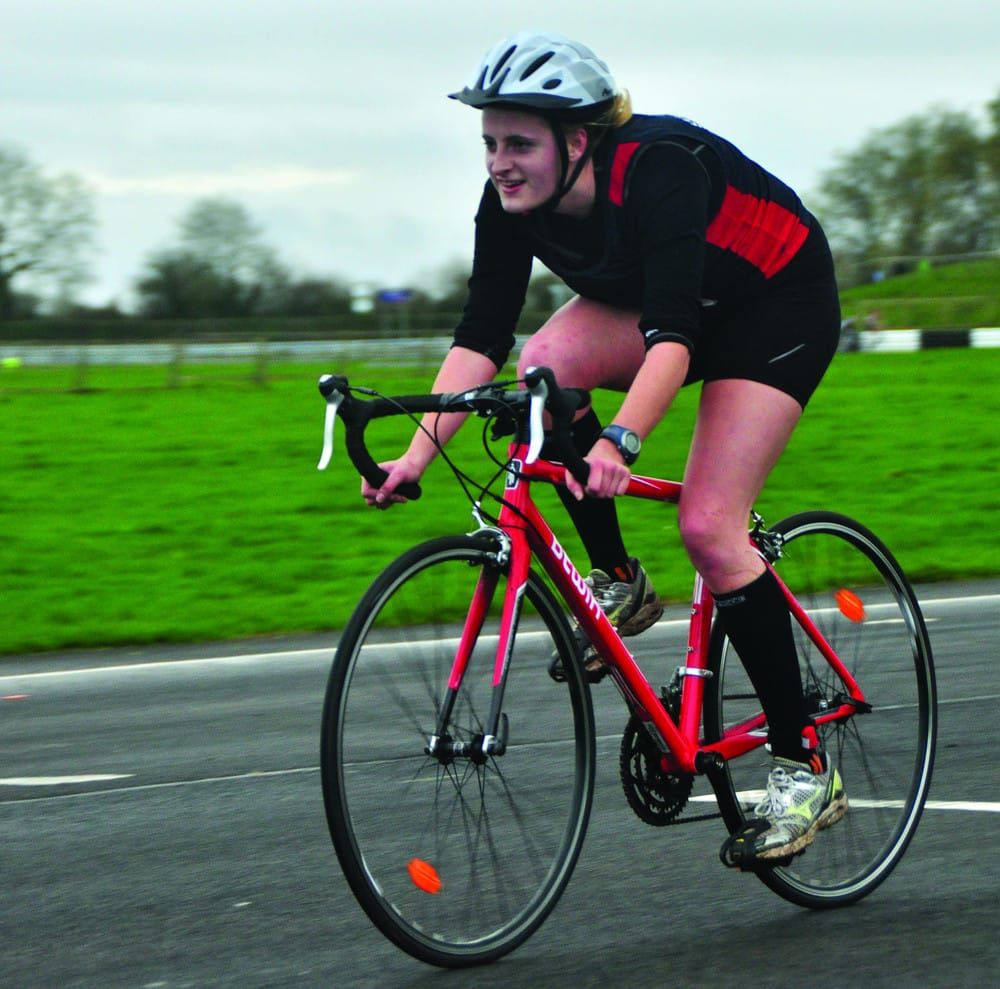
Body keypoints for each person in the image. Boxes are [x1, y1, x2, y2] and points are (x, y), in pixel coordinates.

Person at [362, 30, 847, 864]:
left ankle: (804, 768)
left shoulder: (659, 170)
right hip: (677, 313)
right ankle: (619, 580)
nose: (499, 162)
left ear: (577, 139)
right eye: (488, 143)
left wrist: (624, 437)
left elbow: (676, 336)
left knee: (709, 526)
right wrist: (412, 456)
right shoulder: (508, 203)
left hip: (774, 305)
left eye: (519, 143)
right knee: (539, 368)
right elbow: (480, 337)